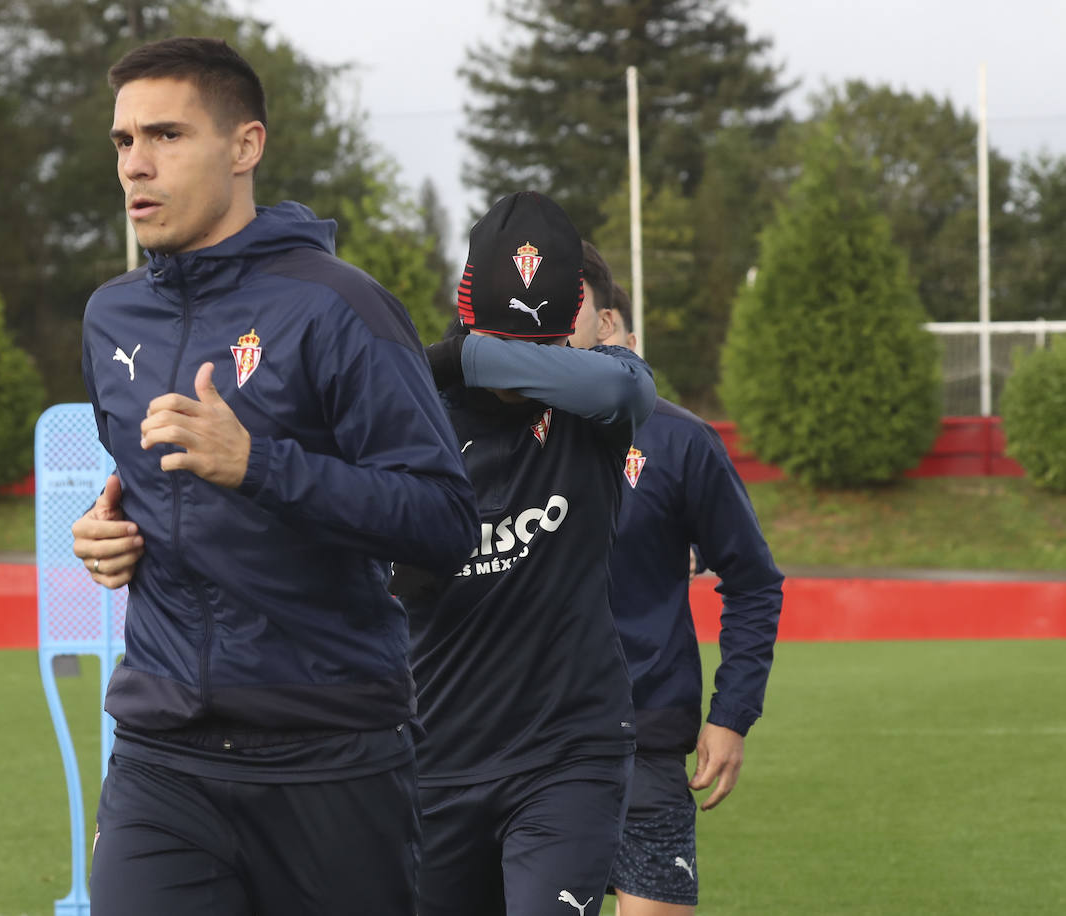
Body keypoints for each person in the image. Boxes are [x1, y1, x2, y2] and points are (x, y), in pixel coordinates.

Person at [71, 36, 479, 916]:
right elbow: (151, 495)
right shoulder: (111, 316)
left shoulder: (340, 305)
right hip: (161, 750)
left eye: (167, 136)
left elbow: (445, 521)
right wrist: (109, 536)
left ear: (245, 146)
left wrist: (261, 467)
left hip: (330, 755)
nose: (136, 165)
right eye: (123, 141)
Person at [391, 191, 657, 916]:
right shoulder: (410, 414)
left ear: (575, 314)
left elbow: (622, 382)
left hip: (568, 755)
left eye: (537, 343)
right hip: (433, 760)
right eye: (505, 334)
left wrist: (460, 354)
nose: (522, 362)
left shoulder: (603, 395)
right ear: (468, 302)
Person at [570, 243, 784, 915]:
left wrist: (732, 713)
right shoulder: (487, 435)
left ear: (607, 325)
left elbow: (753, 578)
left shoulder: (678, 440)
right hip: (519, 742)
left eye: (560, 304)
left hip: (644, 741)